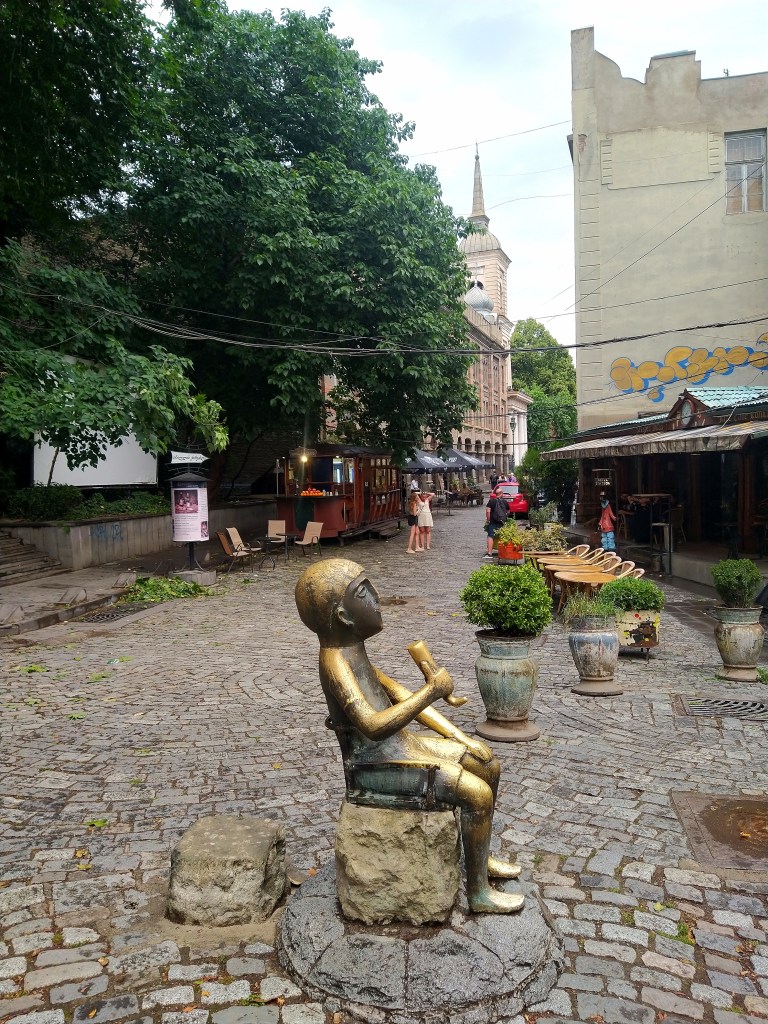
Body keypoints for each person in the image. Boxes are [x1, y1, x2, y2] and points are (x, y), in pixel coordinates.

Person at [294, 558, 524, 914]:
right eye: (364, 593)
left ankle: (480, 857)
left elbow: (400, 695)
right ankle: (479, 894)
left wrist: (460, 737)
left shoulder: (354, 651)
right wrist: (431, 691)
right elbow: (372, 725)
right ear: (343, 616)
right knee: (477, 794)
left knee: (487, 763)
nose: (377, 598)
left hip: (399, 746)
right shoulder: (335, 661)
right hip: (372, 765)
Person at [484, 486, 510, 559]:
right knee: (502, 536)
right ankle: (502, 553)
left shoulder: (491, 501)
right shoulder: (505, 502)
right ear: (501, 493)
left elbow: (488, 511)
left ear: (496, 494)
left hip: (493, 521)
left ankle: (489, 553)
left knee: (490, 536)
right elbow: (508, 512)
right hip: (502, 522)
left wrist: (488, 520)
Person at [406, 488, 423, 554]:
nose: (418, 497)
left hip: (413, 518)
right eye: (417, 496)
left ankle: (417, 547)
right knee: (412, 534)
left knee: (417, 532)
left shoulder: (412, 503)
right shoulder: (414, 504)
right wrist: (419, 510)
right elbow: (415, 514)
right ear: (415, 498)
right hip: (413, 518)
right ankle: (409, 548)